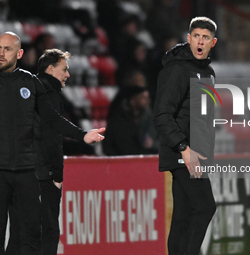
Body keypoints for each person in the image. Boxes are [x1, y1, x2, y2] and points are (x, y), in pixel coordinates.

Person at [0, 31, 104, 255]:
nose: (1, 53)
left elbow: (51, 118)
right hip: (11, 171)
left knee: (29, 236)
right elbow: (47, 129)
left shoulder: (31, 82)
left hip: (27, 173)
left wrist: (82, 135)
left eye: (7, 49)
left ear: (19, 53)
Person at [153, 17, 217, 255]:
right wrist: (184, 148)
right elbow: (161, 115)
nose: (201, 41)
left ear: (213, 42)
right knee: (205, 207)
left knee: (183, 214)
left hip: (197, 153)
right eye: (197, 36)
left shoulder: (208, 72)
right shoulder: (177, 70)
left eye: (206, 37)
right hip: (184, 153)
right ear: (189, 39)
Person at [103, 85, 158, 156]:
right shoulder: (119, 122)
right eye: (143, 97)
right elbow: (126, 150)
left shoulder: (148, 120)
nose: (147, 101)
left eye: (148, 97)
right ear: (133, 100)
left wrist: (152, 145)